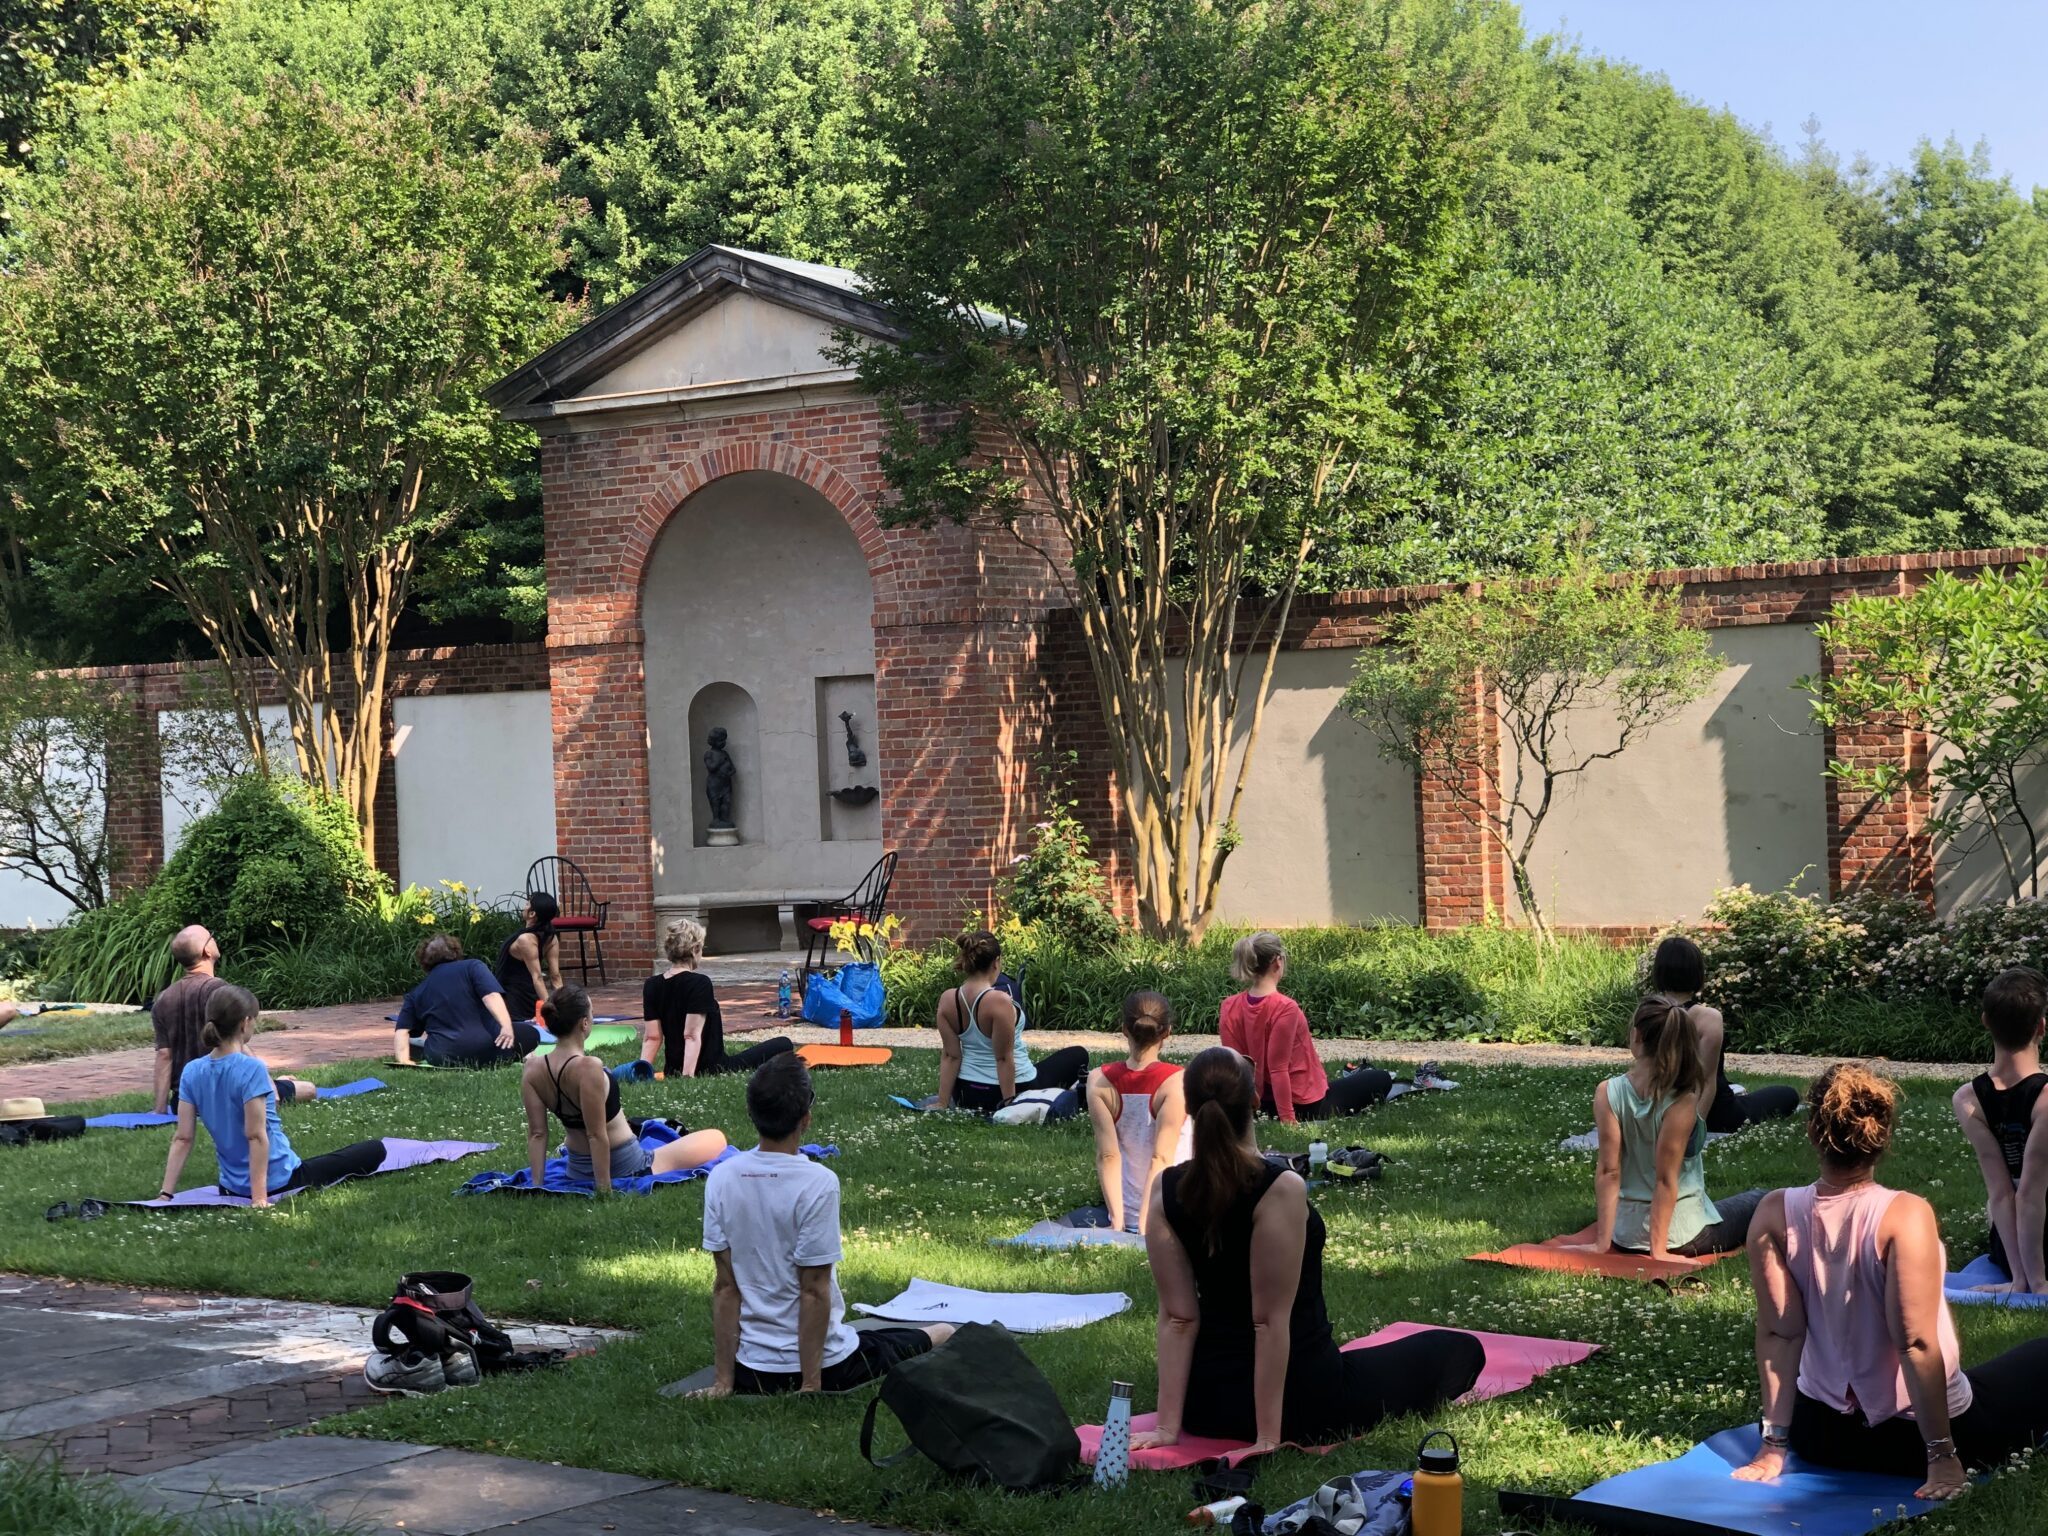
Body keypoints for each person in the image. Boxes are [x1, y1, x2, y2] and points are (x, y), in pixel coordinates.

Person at [1135, 1047, 1482, 1454]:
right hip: (1304, 1402)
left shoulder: (1165, 1188)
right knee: (1459, 1350)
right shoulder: (1279, 1188)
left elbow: (1178, 1319)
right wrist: (1267, 1437)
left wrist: (1168, 1427)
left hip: (1207, 1403)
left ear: (1190, 1106)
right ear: (1252, 1101)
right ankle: (1268, 1427)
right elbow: (1267, 1323)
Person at [1735, 1063, 2048, 1500]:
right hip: (1914, 1442)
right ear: (1883, 1138)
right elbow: (1915, 1343)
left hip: (1821, 1436)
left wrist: (1773, 1445)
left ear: (1812, 1131)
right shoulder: (1905, 1214)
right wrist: (1941, 1456)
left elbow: (1778, 1333)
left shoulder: (1772, 1213)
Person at [698, 1054, 953, 1395]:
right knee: (943, 1331)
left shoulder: (721, 1176)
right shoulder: (817, 1181)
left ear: (751, 1114)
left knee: (873, 1336)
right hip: (829, 1366)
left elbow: (725, 1288)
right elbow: (814, 1288)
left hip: (751, 1369)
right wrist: (810, 1385)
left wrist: (723, 1382)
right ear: (806, 1119)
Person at [158, 985, 389, 1207]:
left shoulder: (192, 1071)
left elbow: (183, 1138)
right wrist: (259, 1198)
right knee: (375, 1149)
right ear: (245, 1023)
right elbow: (256, 1136)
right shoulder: (252, 1068)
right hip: (280, 1181)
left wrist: (165, 1195)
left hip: (229, 1187)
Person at [1574, 997, 1765, 1262]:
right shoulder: (1681, 1100)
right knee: (1761, 1199)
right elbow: (1665, 1179)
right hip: (1682, 1235)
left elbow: (1608, 1171)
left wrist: (1603, 1243)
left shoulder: (1607, 1091)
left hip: (1624, 1235)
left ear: (1636, 1036)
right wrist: (1658, 1251)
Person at [521, 984, 727, 1192]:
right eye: (592, 1014)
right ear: (584, 1023)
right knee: (716, 1137)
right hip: (625, 1165)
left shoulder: (532, 1068)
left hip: (576, 1168)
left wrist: (537, 1186)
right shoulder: (589, 1067)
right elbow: (596, 1135)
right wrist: (604, 1189)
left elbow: (537, 1134)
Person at [1218, 932, 1389, 1123]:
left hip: (1258, 1104)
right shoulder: (1284, 1007)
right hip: (1303, 1104)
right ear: (1277, 961)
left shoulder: (1229, 1006)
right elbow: (1278, 1069)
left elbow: (1236, 1065)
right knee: (1380, 1078)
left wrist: (1242, 1110)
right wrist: (1288, 1120)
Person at [1952, 965, 2048, 1293]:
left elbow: (2003, 1192)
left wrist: (2017, 1278)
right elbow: (2032, 1195)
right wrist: (2037, 1283)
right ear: (2042, 1027)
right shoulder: (2046, 1099)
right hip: (2041, 1242)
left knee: (1996, 1202)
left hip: (2008, 1250)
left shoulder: (1967, 1099)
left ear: (1985, 1022)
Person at [1648, 935, 1798, 1134]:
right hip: (1717, 1113)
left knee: (1735, 1089)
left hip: (1662, 1109)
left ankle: (1736, 1091)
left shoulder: (1647, 1013)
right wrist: (1694, 1131)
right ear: (1696, 973)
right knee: (1787, 1094)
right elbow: (1706, 1082)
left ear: (1659, 972)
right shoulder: (1708, 1018)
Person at [935, 929, 1088, 1114]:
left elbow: (951, 1056)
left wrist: (942, 1102)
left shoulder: (947, 999)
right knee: (1079, 1054)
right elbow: (1003, 1058)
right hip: (1007, 1091)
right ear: (996, 962)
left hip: (965, 1093)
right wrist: (1009, 1106)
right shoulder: (1000, 1001)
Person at [1087, 990, 1191, 1234]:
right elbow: (1162, 1158)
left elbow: (1108, 1156)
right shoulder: (1178, 1081)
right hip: (1171, 1208)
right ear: (1167, 1032)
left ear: (1124, 1029)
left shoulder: (1098, 1080)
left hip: (1127, 1207)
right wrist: (1147, 1227)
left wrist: (1118, 1222)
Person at [640, 917, 793, 1078]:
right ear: (695, 949)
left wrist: (640, 1073)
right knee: (784, 1043)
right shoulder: (699, 983)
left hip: (672, 1070)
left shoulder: (652, 984)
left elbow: (652, 1037)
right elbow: (691, 1035)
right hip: (712, 1068)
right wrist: (686, 1078)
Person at [395, 934, 539, 1068]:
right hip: (488, 1048)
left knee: (417, 1044)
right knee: (531, 1033)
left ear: (424, 961)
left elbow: (402, 1031)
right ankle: (508, 1056)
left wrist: (404, 1060)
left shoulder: (416, 992)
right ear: (455, 952)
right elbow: (491, 997)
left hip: (442, 1057)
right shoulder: (473, 967)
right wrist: (506, 1026)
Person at [152, 925, 225, 1114]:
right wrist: (266, 1085)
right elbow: (234, 1042)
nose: (214, 940)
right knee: (305, 1088)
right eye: (211, 937)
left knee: (286, 1081)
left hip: (183, 1102)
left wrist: (159, 1110)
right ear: (206, 950)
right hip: (225, 1094)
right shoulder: (218, 990)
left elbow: (164, 1055)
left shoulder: (164, 998)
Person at [496, 893, 562, 1023]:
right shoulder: (551, 937)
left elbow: (538, 977)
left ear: (532, 914)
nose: (524, 907)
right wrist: (556, 1007)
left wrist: (554, 1009)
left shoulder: (525, 939)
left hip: (516, 997)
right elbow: (555, 977)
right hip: (524, 995)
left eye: (527, 904)